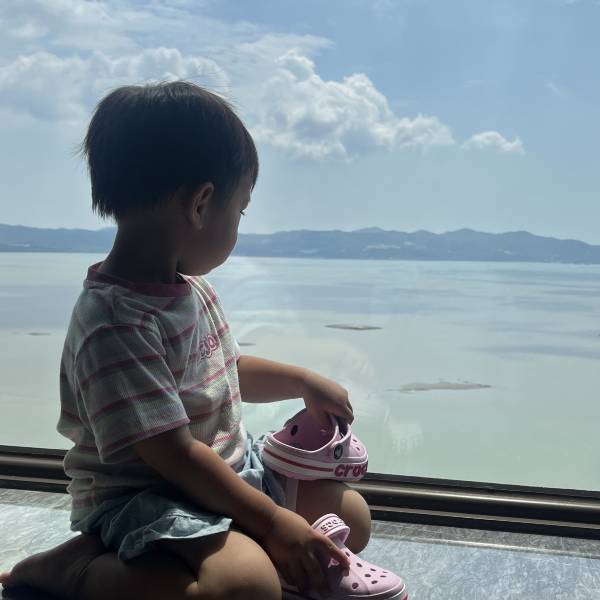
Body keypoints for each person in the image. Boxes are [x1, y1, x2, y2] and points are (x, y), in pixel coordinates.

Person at [0, 81, 371, 600]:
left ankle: (247, 543)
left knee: (352, 516)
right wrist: (269, 522)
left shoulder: (192, 290)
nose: (238, 226)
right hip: (152, 499)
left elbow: (224, 369)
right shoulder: (114, 322)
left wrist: (302, 381)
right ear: (201, 203)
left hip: (226, 474)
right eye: (240, 210)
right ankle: (74, 570)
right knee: (246, 587)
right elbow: (172, 453)